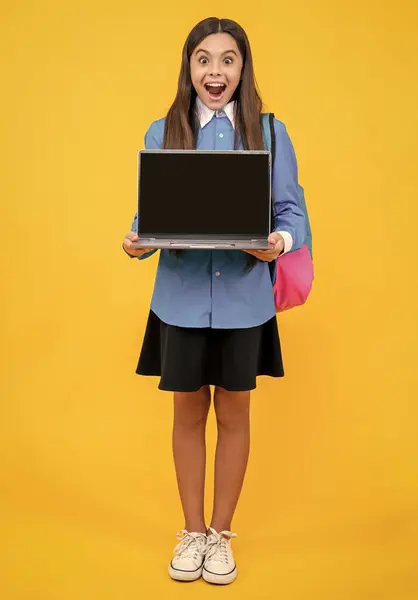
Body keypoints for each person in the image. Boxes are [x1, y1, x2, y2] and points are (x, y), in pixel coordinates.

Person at [122, 17, 305, 586]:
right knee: (186, 413)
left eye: (228, 59)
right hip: (178, 299)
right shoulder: (163, 131)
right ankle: (192, 532)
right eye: (204, 59)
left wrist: (277, 243)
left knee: (234, 412)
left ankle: (221, 537)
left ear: (243, 68)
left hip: (243, 302)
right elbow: (151, 211)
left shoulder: (270, 134)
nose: (215, 71)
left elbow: (291, 213)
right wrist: (136, 239)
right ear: (189, 67)